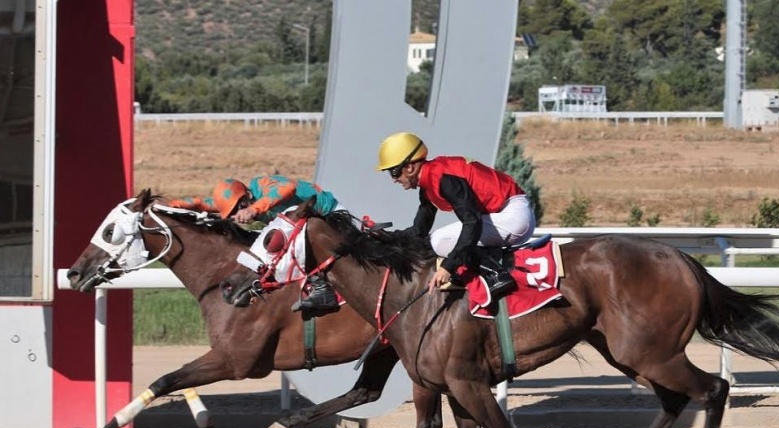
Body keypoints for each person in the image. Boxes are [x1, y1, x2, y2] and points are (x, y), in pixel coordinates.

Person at [376, 132, 536, 300]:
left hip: (513, 215)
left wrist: (448, 266)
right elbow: (419, 231)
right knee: (436, 239)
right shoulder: (429, 183)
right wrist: (386, 237)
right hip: (504, 215)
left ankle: (496, 273)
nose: (394, 180)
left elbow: (472, 222)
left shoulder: (443, 178)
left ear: (410, 167)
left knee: (439, 240)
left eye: (393, 172)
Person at [168, 175, 344, 313]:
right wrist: (169, 205)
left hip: (328, 214)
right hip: (301, 226)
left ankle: (323, 289)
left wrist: (254, 209)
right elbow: (200, 204)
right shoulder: (239, 201)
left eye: (238, 208)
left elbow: (288, 188)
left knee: (299, 249)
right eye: (232, 212)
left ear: (246, 197)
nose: (236, 214)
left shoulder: (262, 184)